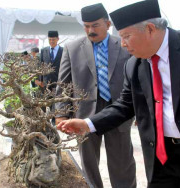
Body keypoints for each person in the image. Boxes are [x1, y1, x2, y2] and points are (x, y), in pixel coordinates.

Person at [57, 1, 180, 188]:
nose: (123, 44)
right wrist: (88, 124)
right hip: (163, 156)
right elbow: (125, 105)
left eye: (126, 36)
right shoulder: (134, 65)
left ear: (150, 29)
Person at [55, 3, 136, 188]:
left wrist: (139, 110)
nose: (90, 30)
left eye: (95, 25)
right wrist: (60, 113)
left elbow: (135, 81)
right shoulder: (72, 48)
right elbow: (64, 84)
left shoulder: (124, 45)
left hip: (119, 109)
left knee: (122, 161)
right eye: (86, 26)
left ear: (108, 24)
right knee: (89, 162)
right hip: (84, 112)